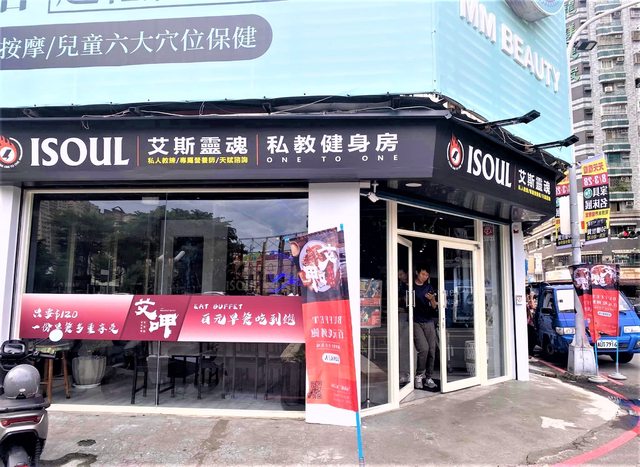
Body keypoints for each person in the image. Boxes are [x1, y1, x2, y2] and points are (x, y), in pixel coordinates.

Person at [413, 266, 438, 389]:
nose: (424, 277)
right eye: (422, 274)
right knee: (424, 349)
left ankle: (428, 377)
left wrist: (432, 299)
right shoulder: (411, 287)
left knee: (432, 350)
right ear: (417, 273)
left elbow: (434, 306)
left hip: (428, 321)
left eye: (427, 275)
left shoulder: (428, 287)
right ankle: (419, 376)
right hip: (416, 321)